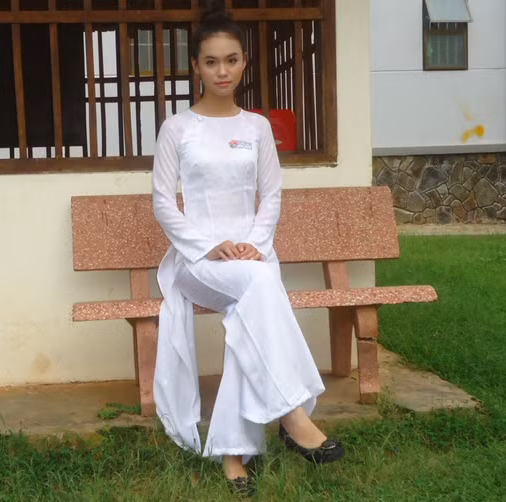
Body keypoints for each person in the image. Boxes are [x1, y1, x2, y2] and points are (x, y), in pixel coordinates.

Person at [151, 1, 344, 497]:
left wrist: (254, 247)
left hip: (252, 258)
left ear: (244, 63)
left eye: (231, 60)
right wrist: (210, 246)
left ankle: (233, 456)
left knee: (248, 306)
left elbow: (271, 196)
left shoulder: (256, 128)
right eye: (211, 61)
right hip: (197, 261)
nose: (222, 71)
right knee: (258, 288)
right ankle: (291, 415)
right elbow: (163, 204)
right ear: (196, 66)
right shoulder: (177, 128)